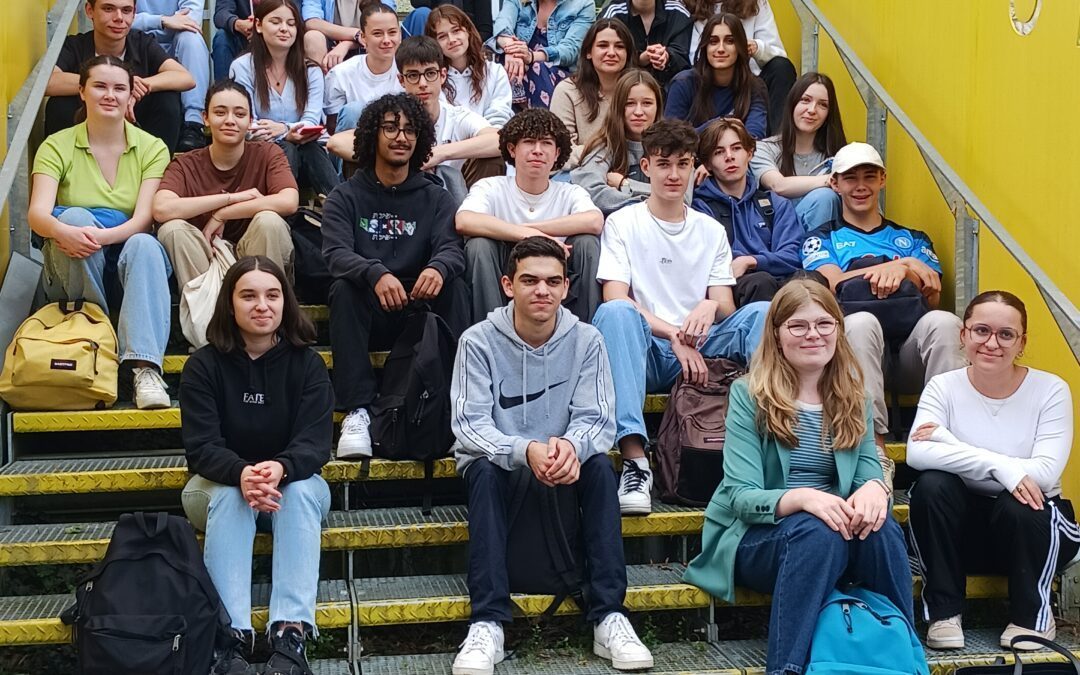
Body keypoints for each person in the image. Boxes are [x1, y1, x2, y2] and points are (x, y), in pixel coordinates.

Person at [683, 279, 913, 675]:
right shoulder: (748, 395)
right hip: (757, 537)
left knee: (883, 529)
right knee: (816, 530)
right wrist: (806, 499)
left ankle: (903, 658)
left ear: (838, 331)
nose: (813, 335)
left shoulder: (853, 396)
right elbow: (741, 496)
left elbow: (867, 473)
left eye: (824, 324)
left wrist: (876, 490)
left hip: (832, 534)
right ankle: (786, 668)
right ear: (777, 334)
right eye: (798, 326)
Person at [450, 236, 654, 675]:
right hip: (503, 466)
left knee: (600, 467)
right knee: (481, 470)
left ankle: (608, 616)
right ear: (508, 285)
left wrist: (568, 446)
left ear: (566, 287)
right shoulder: (478, 340)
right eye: (529, 280)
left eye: (552, 281)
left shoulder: (587, 339)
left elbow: (598, 419)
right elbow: (469, 426)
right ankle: (488, 622)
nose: (541, 290)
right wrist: (525, 449)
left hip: (565, 464)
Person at [591, 119, 768, 515]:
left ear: (693, 168)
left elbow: (725, 305)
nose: (674, 174)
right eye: (664, 163)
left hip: (706, 346)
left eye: (683, 164)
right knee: (615, 313)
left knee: (763, 313)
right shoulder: (623, 222)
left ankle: (777, 440)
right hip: (651, 350)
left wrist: (710, 305)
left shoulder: (709, 229)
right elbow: (616, 294)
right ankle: (636, 460)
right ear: (646, 167)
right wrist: (675, 336)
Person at [180, 256, 333, 675]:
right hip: (217, 489)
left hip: (292, 489)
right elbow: (201, 448)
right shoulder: (203, 366)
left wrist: (280, 469)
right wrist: (241, 475)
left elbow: (316, 444)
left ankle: (290, 636)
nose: (262, 305)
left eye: (272, 294)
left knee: (301, 489)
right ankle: (229, 641)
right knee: (232, 498)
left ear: (286, 303)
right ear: (230, 304)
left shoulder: (308, 365)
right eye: (248, 295)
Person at [907, 291, 1076, 651]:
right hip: (963, 534)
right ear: (964, 335)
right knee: (932, 485)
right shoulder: (943, 386)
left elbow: (1042, 475)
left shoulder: (1050, 390)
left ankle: (1032, 616)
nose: (991, 343)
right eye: (981, 330)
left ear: (1022, 342)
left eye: (1006, 334)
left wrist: (948, 442)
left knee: (1021, 499)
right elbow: (917, 453)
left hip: (1034, 534)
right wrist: (998, 465)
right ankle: (944, 613)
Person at [322, 93, 469, 459]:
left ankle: (458, 408)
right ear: (374, 134)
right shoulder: (345, 196)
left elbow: (452, 248)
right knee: (343, 288)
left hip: (419, 313)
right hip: (370, 309)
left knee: (456, 287)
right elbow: (335, 254)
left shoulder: (435, 196)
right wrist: (374, 273)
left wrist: (438, 267)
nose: (401, 137)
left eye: (409, 130)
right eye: (390, 128)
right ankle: (357, 411)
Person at [800, 142, 966, 453]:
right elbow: (830, 287)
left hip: (908, 356)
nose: (861, 186)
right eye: (850, 178)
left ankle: (946, 443)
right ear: (835, 184)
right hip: (853, 353)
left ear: (883, 179)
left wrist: (906, 270)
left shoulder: (914, 239)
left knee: (945, 322)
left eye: (869, 176)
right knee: (861, 323)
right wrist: (898, 266)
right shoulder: (822, 237)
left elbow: (931, 296)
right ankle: (872, 447)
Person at [29, 56, 173, 411]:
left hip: (122, 257)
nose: (110, 95)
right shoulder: (57, 145)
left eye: (119, 88)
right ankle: (98, 343)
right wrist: (69, 230)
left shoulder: (152, 147)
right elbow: (36, 214)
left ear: (130, 97)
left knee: (146, 245)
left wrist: (96, 236)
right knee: (75, 216)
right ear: (82, 92)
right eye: (100, 86)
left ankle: (143, 367)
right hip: (70, 263)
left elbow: (142, 219)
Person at [457, 109, 603, 322]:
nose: (537, 150)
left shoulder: (570, 192)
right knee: (479, 246)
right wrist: (524, 234)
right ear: (512, 149)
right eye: (529, 142)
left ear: (556, 153)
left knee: (587, 243)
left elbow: (594, 221)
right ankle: (490, 332)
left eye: (546, 143)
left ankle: (583, 332)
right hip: (505, 271)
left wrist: (534, 231)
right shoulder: (491, 186)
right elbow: (464, 220)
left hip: (555, 275)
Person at [154, 80, 300, 291]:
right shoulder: (185, 164)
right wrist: (229, 198)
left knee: (269, 221)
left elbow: (288, 201)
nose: (230, 120)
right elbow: (161, 209)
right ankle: (206, 316)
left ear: (250, 121)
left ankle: (263, 304)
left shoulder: (268, 153)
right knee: (172, 229)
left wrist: (222, 214)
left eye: (239, 114)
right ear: (205, 118)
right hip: (203, 259)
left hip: (255, 255)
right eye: (220, 113)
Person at [326, 36, 501, 184]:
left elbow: (499, 140)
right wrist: (408, 158)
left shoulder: (456, 116)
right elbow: (336, 142)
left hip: (450, 198)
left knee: (492, 158)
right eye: (413, 75)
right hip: (397, 198)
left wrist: (438, 154)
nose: (423, 83)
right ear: (402, 80)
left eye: (430, 73)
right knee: (358, 159)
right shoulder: (392, 114)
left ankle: (475, 218)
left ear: (443, 76)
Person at [44, 0, 196, 152]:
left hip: (137, 127)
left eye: (126, 10)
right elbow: (48, 82)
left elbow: (185, 78)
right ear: (90, 10)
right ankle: (65, 167)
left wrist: (138, 86)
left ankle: (159, 168)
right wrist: (109, 83)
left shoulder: (142, 43)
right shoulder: (75, 45)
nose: (119, 18)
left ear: (134, 13)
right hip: (86, 131)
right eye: (108, 9)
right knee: (59, 104)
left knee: (167, 99)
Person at [230, 0, 340, 199]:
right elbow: (248, 124)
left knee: (310, 148)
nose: (284, 29)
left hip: (306, 151)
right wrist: (286, 135)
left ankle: (338, 208)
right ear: (259, 25)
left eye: (291, 24)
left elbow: (312, 121)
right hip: (260, 155)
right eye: (276, 22)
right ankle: (283, 213)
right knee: (286, 148)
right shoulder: (243, 67)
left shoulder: (311, 71)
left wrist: (283, 129)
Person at [691, 118, 803, 305]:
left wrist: (751, 261)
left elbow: (793, 256)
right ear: (707, 164)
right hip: (732, 289)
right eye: (719, 152)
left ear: (750, 153)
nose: (729, 156)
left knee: (812, 280)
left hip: (778, 281)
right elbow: (711, 260)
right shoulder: (700, 210)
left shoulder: (775, 203)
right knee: (760, 282)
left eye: (736, 148)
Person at [750, 72, 847, 232]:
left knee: (826, 198)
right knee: (825, 196)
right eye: (805, 100)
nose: (812, 110)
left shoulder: (840, 156)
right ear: (792, 103)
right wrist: (832, 180)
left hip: (830, 242)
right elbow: (778, 185)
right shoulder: (763, 148)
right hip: (778, 235)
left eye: (822, 104)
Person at [571, 70, 674, 216]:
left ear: (658, 107)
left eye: (647, 103)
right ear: (618, 107)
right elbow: (590, 189)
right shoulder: (604, 145)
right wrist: (644, 202)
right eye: (630, 103)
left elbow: (683, 198)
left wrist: (625, 184)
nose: (638, 111)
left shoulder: (673, 146)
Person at [686, 0, 796, 132]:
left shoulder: (757, 3)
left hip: (751, 83)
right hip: (711, 83)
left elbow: (778, 53)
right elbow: (694, 56)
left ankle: (777, 140)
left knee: (782, 68)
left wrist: (757, 47)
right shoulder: (690, 4)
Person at [549, 19, 635, 170]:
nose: (611, 53)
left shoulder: (639, 91)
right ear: (588, 52)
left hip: (633, 170)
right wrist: (608, 156)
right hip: (580, 173)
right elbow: (561, 151)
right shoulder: (567, 91)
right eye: (603, 46)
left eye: (620, 47)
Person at [665, 14, 768, 137]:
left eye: (730, 41)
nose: (720, 49)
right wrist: (720, 125)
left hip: (737, 154)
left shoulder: (754, 86)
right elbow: (671, 138)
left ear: (740, 46)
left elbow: (754, 136)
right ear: (705, 47)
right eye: (713, 42)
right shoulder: (683, 83)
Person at [134, 0, 212, 151]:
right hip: (137, 43)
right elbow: (120, 18)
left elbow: (190, 21)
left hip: (176, 45)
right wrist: (162, 21)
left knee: (191, 38)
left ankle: (194, 123)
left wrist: (145, 23)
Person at [488, 0, 595, 108]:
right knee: (499, 65)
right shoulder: (518, 1)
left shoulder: (583, 4)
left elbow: (570, 50)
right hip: (519, 66)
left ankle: (543, 122)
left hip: (558, 71)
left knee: (537, 67)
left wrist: (531, 56)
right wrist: (512, 50)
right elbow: (502, 27)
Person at [426, 6, 513, 128]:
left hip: (489, 143)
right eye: (442, 36)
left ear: (468, 31)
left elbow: (499, 120)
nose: (451, 40)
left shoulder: (495, 72)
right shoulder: (432, 78)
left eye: (456, 31)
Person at [324, 2, 403, 134]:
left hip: (398, 143)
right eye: (377, 34)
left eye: (392, 32)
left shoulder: (410, 71)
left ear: (400, 34)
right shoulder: (341, 74)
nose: (386, 40)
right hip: (351, 147)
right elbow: (333, 128)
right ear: (363, 37)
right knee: (354, 110)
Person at [600, 0, 693, 88]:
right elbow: (600, 54)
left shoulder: (677, 11)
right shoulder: (613, 13)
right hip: (623, 86)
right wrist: (639, 59)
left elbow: (684, 58)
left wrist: (667, 57)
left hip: (669, 87)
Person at [301, 0, 397, 72]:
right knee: (313, 37)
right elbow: (312, 22)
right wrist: (355, 34)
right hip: (330, 49)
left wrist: (347, 44)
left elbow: (385, 25)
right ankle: (319, 90)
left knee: (385, 39)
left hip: (369, 47)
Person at [212, 0, 254, 82]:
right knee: (222, 37)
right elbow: (221, 13)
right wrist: (236, 23)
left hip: (274, 34)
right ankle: (224, 90)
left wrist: (261, 26)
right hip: (244, 39)